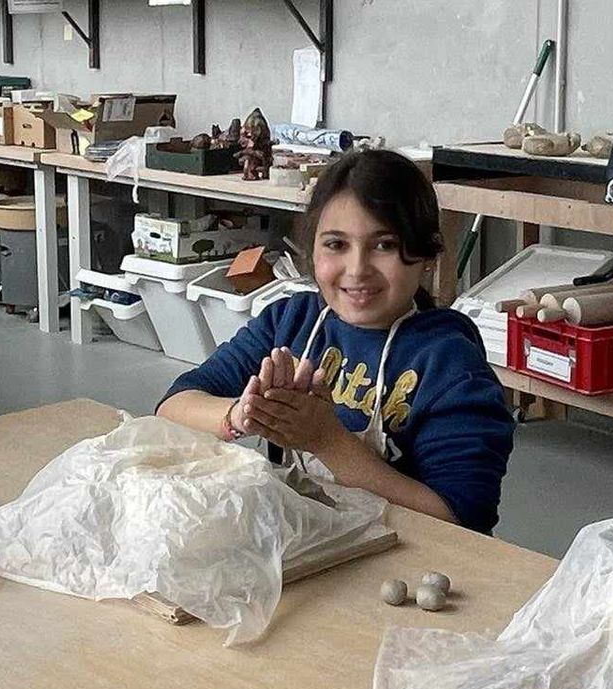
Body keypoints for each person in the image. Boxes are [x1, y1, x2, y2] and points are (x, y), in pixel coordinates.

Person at [158, 148, 514, 532]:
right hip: (304, 543)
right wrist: (242, 414)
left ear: (428, 255)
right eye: (336, 244)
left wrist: (327, 441)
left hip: (408, 557)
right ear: (312, 250)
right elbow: (172, 406)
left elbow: (462, 524)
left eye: (384, 245)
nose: (357, 270)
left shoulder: (450, 365)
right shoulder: (290, 323)